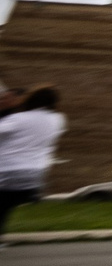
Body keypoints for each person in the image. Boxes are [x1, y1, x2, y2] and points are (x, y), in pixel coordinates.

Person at [0, 87, 65, 235]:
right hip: (35, 175)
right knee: (5, 204)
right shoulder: (58, 119)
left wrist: (5, 110)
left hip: (7, 171)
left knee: (4, 202)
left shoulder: (18, 118)